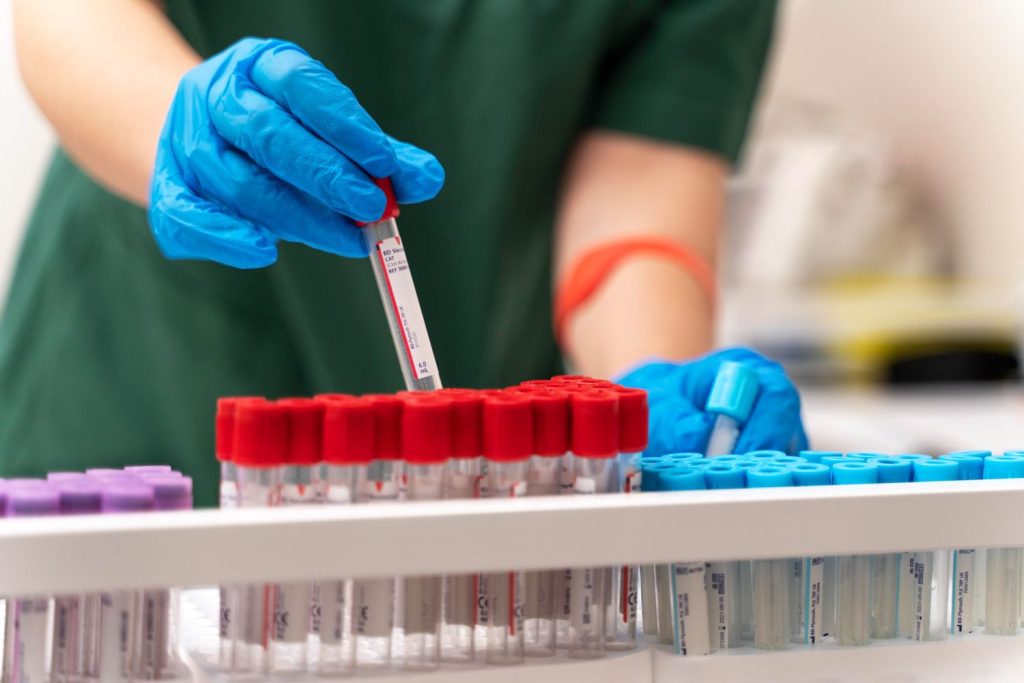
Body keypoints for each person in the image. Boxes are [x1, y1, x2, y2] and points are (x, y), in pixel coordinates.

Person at [2, 0, 805, 505]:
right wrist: (184, 125)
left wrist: (646, 394)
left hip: (464, 456)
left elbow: (633, 196)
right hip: (141, 393)